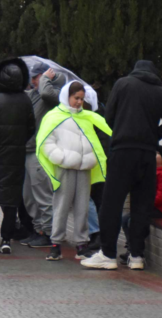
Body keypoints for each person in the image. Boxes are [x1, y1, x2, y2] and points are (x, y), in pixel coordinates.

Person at [83, 60, 162, 271]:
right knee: (141, 206)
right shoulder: (161, 92)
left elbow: (108, 117)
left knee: (111, 204)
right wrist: (152, 134)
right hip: (147, 155)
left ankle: (108, 254)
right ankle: (136, 255)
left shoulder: (123, 84)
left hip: (123, 152)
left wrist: (121, 130)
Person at [37, 81, 111, 261]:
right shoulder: (53, 116)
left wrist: (90, 159)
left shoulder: (87, 117)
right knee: (61, 206)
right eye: (76, 98)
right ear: (66, 96)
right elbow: (46, 141)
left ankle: (81, 244)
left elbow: (95, 140)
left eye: (81, 99)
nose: (79, 102)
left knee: (82, 207)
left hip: (84, 168)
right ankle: (55, 245)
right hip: (65, 168)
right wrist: (62, 159)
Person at [0, 58, 36, 254]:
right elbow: (30, 128)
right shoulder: (25, 100)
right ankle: (7, 239)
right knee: (11, 201)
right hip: (15, 158)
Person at [20, 62, 66, 249]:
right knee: (28, 196)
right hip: (28, 150)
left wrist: (47, 79)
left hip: (41, 151)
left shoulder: (53, 93)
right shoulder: (34, 93)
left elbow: (48, 92)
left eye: (36, 77)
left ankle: (48, 233)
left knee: (42, 195)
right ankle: (39, 230)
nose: (32, 81)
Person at [118, 146, 162, 268]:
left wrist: (144, 202)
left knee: (133, 221)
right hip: (147, 207)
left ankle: (136, 250)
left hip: (158, 210)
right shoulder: (152, 172)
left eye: (157, 153)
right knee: (125, 220)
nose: (153, 155)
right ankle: (130, 247)